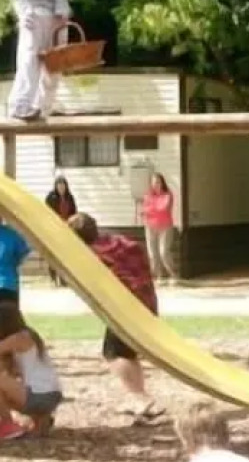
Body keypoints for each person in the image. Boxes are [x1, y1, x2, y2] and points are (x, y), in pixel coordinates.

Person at [67, 212, 164, 422]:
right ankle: (137, 398)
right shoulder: (117, 241)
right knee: (128, 353)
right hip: (147, 300)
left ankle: (141, 397)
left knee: (113, 353)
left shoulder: (92, 255)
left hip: (126, 307)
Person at [0, 301, 64, 440]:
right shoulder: (27, 338)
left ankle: (8, 425)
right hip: (49, 394)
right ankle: (40, 420)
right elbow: (0, 370)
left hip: (40, 395)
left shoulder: (21, 338)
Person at [141, 172, 178, 284]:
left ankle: (174, 274)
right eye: (153, 182)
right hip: (150, 226)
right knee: (152, 253)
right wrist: (150, 210)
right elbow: (143, 211)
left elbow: (163, 208)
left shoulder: (167, 195)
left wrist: (150, 209)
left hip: (165, 226)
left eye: (158, 182)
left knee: (164, 252)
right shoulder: (148, 195)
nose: (155, 184)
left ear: (162, 183)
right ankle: (158, 276)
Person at [44, 177, 78, 286]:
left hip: (67, 229)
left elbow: (74, 212)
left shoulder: (70, 197)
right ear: (56, 186)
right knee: (54, 254)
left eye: (63, 185)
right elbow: (46, 212)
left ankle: (64, 279)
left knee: (65, 255)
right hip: (54, 229)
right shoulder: (51, 197)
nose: (61, 188)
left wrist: (71, 222)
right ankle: (53, 277)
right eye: (59, 186)